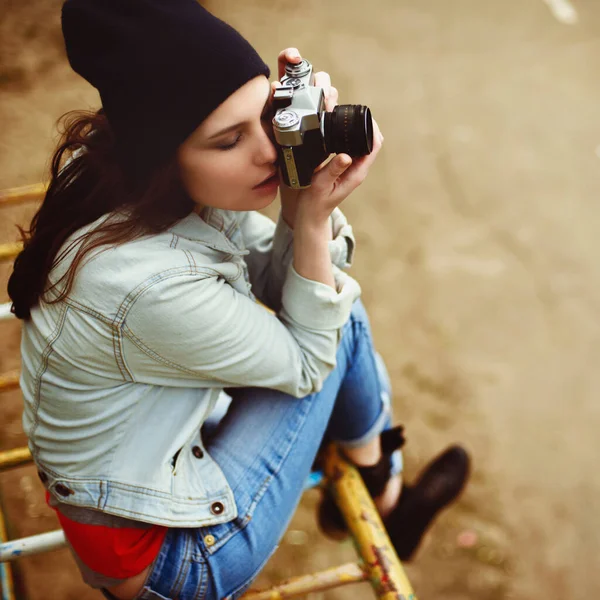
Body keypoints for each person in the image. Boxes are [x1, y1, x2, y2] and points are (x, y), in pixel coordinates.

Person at [7, 1, 470, 599]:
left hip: (147, 470)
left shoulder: (131, 181)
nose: (268, 152)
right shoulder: (142, 283)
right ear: (162, 162)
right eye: (229, 141)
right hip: (173, 560)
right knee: (341, 320)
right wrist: (309, 221)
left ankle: (378, 485)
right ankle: (383, 488)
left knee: (327, 304)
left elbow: (283, 287)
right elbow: (308, 360)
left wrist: (304, 198)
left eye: (270, 118)